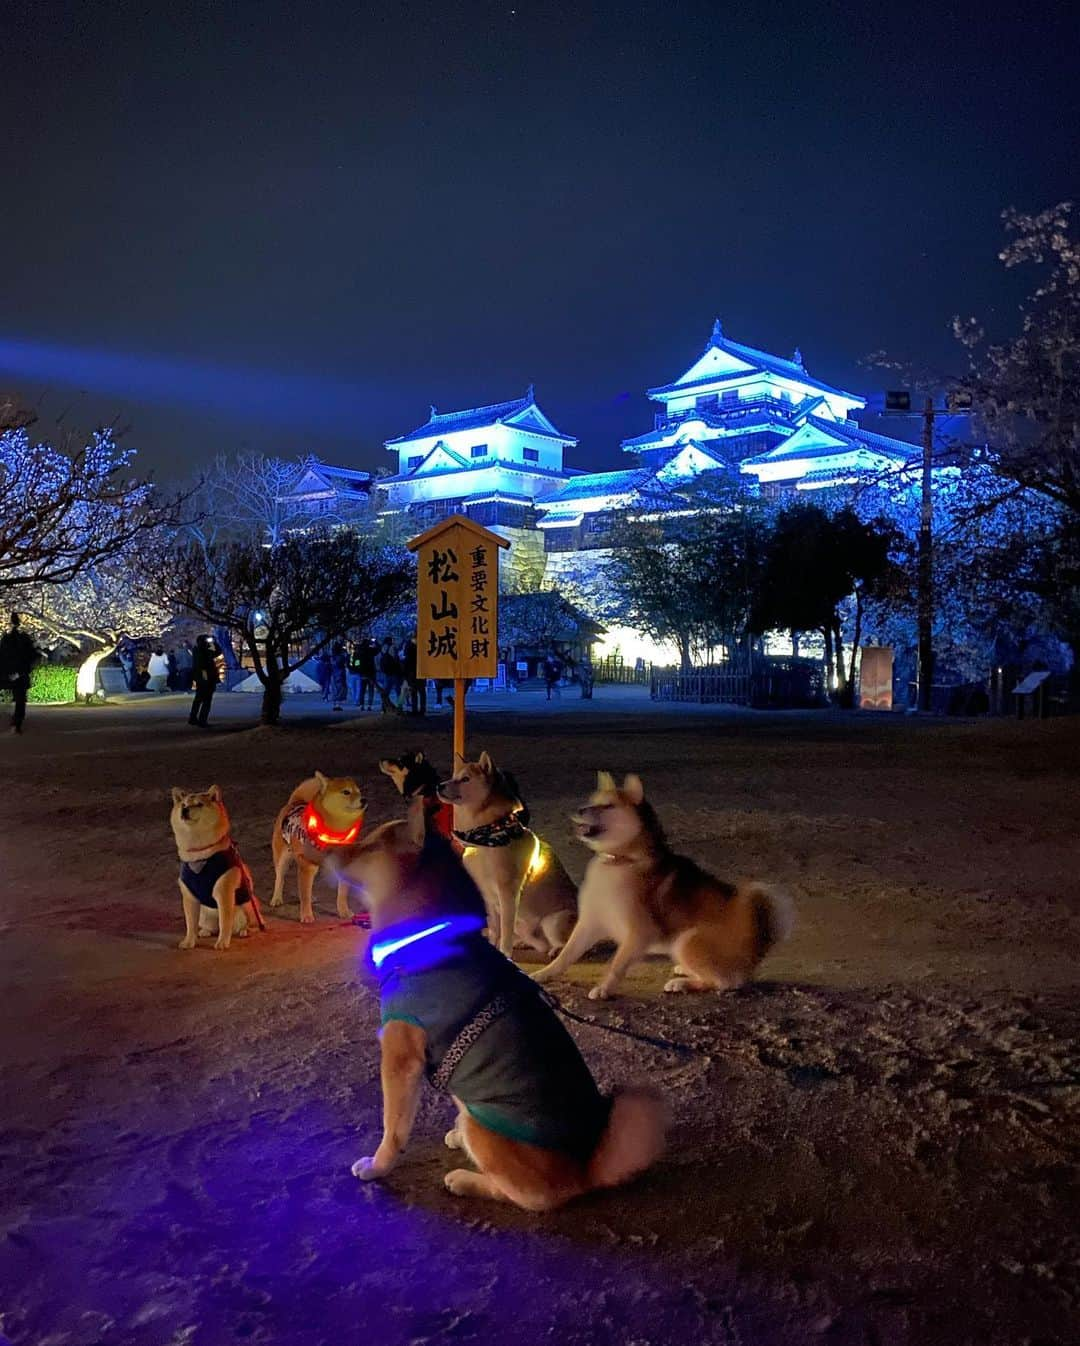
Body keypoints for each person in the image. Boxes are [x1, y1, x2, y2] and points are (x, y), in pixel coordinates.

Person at [0, 612, 40, 734]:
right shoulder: (24, 638)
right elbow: (31, 655)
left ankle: (15, 722)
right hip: (20, 673)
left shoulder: (6, 639)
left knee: (19, 699)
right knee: (20, 700)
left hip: (7, 673)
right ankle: (17, 723)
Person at [189, 634, 220, 728]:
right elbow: (216, 653)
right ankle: (201, 720)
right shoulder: (202, 650)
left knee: (199, 699)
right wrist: (206, 679)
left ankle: (193, 718)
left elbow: (216, 653)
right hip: (206, 676)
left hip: (201, 676)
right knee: (206, 699)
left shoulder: (197, 649)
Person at [401, 635, 426, 716]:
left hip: (412, 674)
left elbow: (406, 662)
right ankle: (421, 709)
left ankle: (414, 709)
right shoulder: (421, 648)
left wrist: (405, 674)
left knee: (413, 692)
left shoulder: (409, 648)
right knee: (420, 692)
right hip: (418, 672)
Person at [358, 639, 378, 709]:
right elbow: (377, 650)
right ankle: (369, 705)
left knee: (362, 690)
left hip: (363, 673)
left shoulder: (359, 651)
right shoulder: (371, 650)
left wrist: (358, 669)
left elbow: (357, 662)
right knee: (371, 689)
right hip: (371, 672)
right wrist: (375, 642)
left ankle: (361, 705)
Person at [331, 644, 348, 712]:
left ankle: (335, 704)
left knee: (335, 690)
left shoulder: (332, 658)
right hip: (340, 674)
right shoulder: (341, 657)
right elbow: (343, 664)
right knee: (340, 690)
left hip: (334, 675)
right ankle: (338, 705)